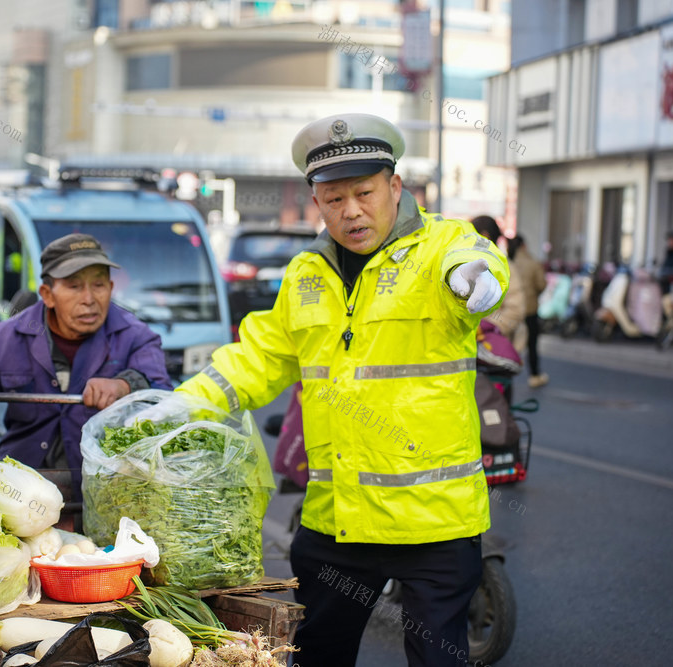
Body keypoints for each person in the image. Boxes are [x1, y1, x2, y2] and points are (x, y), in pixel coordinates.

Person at [171, 113, 509, 667]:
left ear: (395, 187)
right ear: (315, 201)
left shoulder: (440, 246)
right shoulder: (305, 274)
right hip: (337, 522)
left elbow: (477, 263)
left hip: (435, 525)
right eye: (333, 198)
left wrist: (476, 280)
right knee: (317, 656)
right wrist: (180, 406)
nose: (350, 211)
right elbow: (259, 356)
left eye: (364, 192)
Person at [0, 232, 173, 472]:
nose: (89, 299)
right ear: (48, 295)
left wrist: (125, 385)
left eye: (98, 285)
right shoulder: (8, 337)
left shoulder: (136, 336)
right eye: (74, 286)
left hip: (105, 486)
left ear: (110, 288)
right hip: (20, 486)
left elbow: (162, 395)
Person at [471, 215, 525, 346]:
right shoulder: (467, 263)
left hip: (492, 349)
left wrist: (485, 328)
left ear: (485, 236)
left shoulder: (504, 267)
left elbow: (515, 311)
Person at [508, 235, 548, 387]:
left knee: (509, 343)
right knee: (532, 345)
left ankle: (506, 371)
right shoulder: (533, 263)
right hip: (530, 310)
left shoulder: (507, 262)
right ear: (524, 245)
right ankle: (534, 375)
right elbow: (542, 285)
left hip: (510, 312)